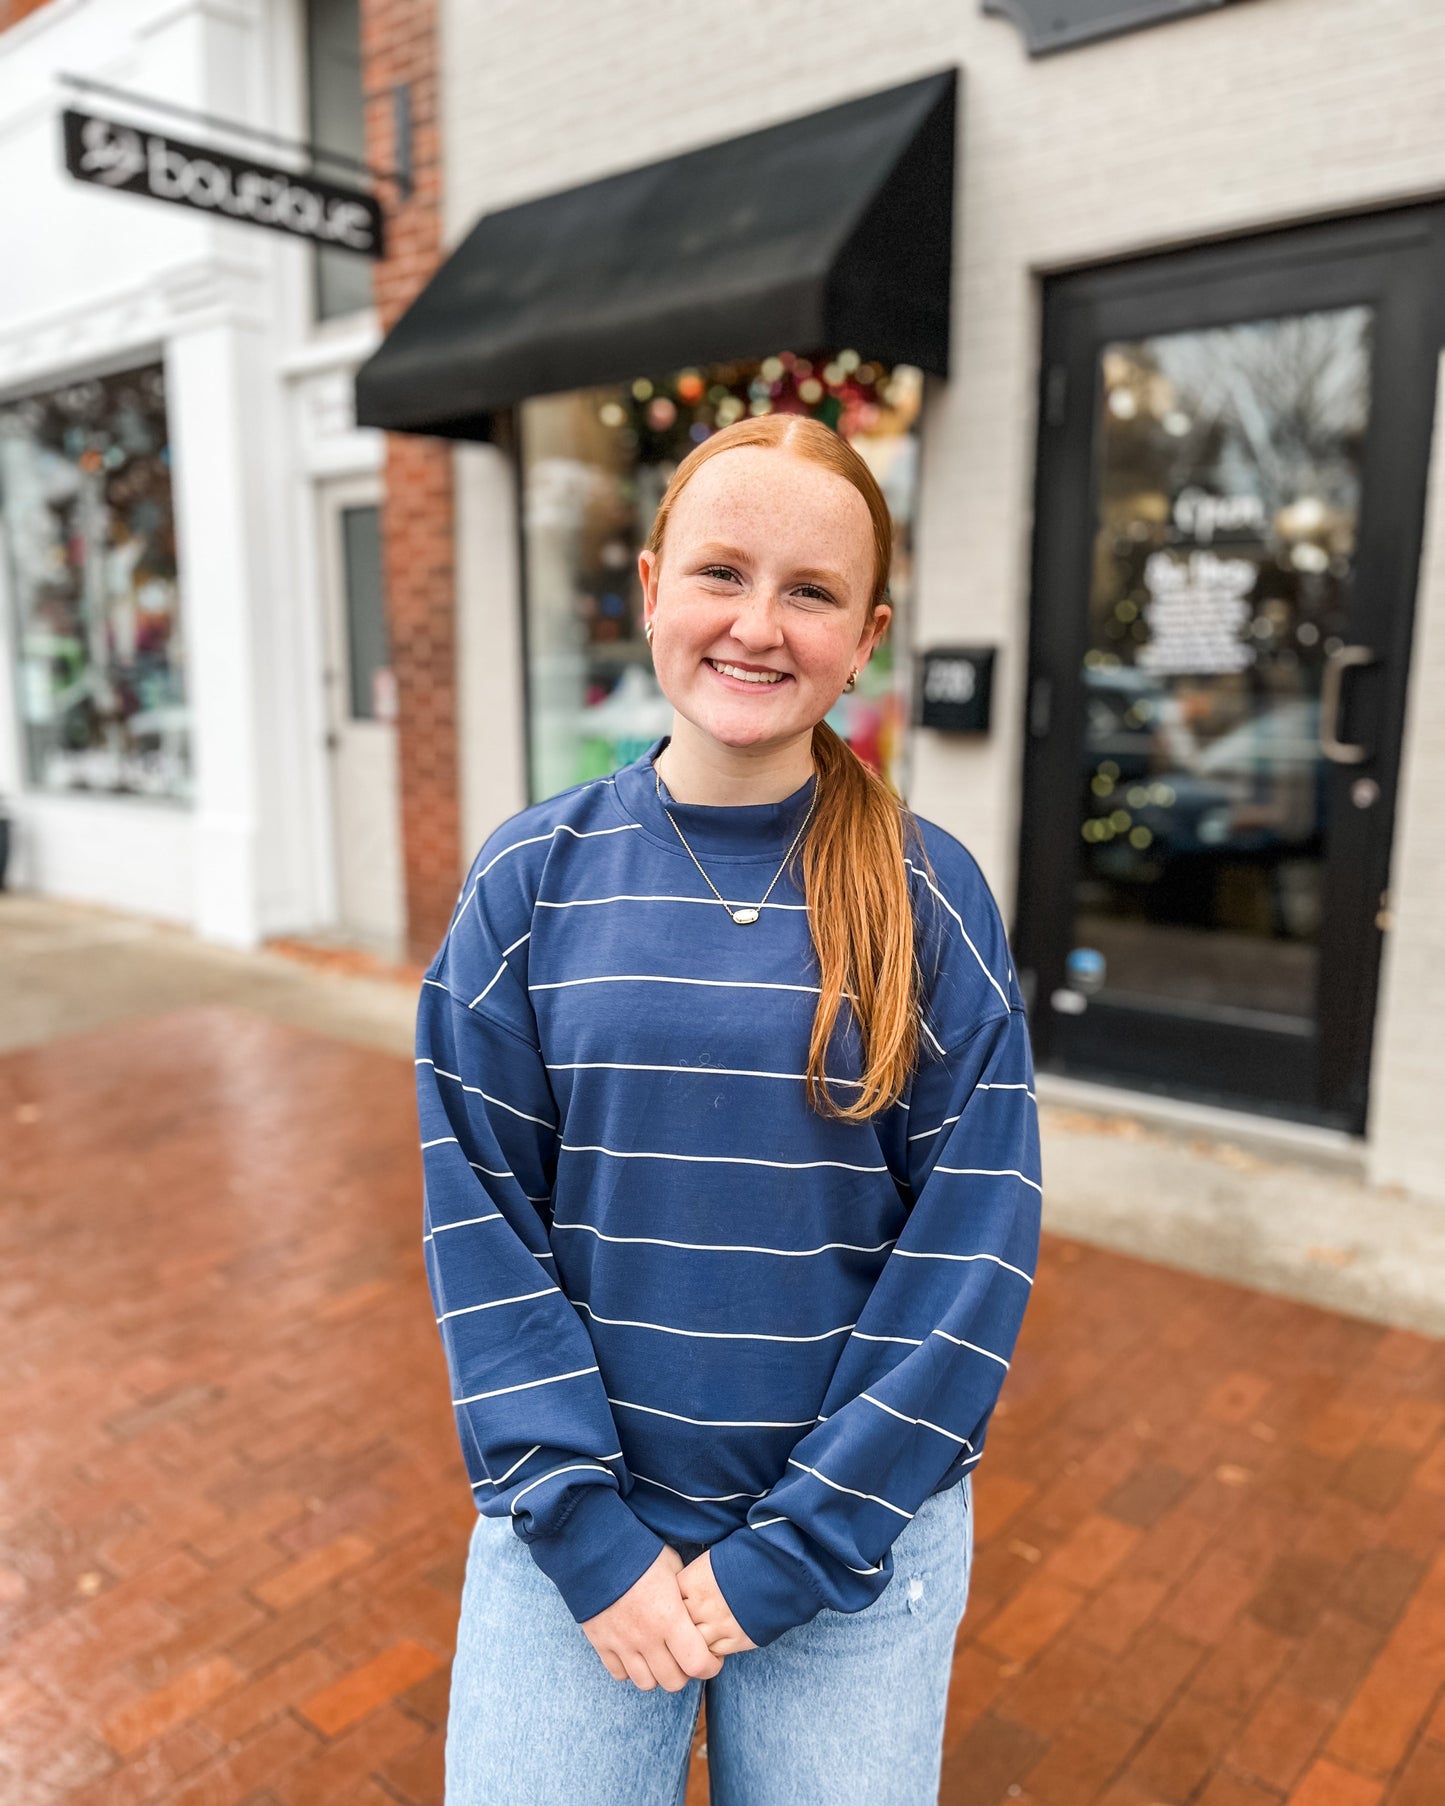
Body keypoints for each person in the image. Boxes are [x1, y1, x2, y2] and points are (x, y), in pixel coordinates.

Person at [416, 413, 1042, 1806]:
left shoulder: (929, 900)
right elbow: (481, 1227)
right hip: (580, 1540)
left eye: (810, 591)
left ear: (866, 636)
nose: (758, 626)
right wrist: (587, 1535)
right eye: (720, 572)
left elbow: (970, 1254)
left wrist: (790, 1554)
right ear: (651, 588)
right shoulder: (529, 882)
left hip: (852, 1548)